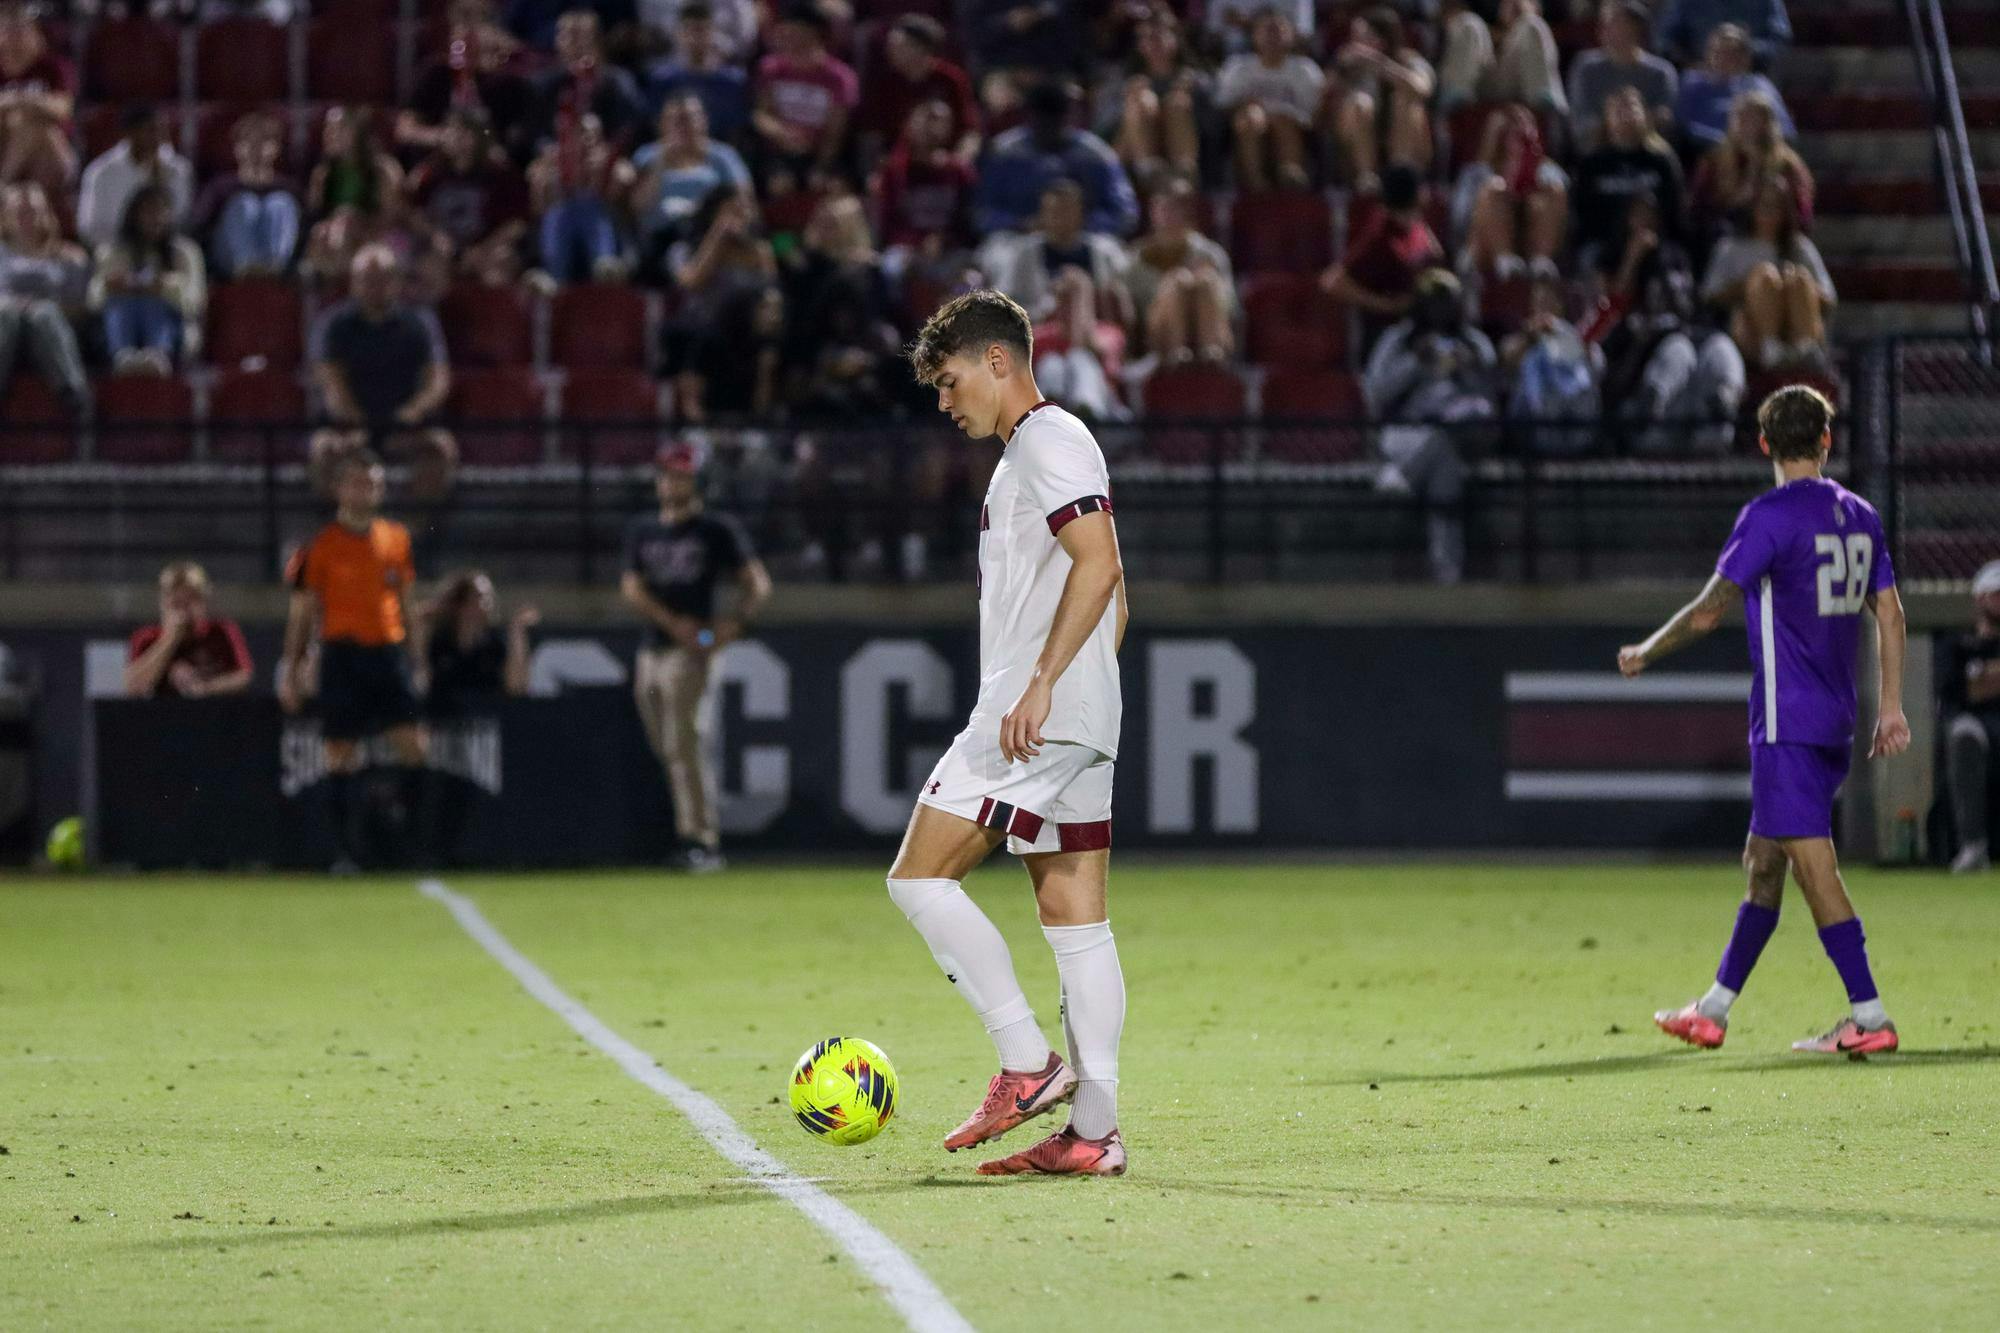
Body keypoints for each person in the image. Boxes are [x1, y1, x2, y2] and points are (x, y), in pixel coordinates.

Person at [897, 288, 1130, 1177]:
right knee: (1075, 919)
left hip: (1031, 715)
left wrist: (1044, 688)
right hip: (1069, 715)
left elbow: (1099, 560)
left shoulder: (1048, 438)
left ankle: (1028, 1063)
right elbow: (1116, 577)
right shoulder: (1034, 452)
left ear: (999, 362)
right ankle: (1095, 1133)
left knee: (918, 877)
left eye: (952, 382)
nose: (946, 403)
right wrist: (1088, 695)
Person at [1625, 385, 1909, 1056]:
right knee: (1763, 861)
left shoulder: (1768, 517)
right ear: (1826, 441)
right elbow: (1891, 613)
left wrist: (1646, 649)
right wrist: (1891, 705)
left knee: (1813, 867)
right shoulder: (1860, 514)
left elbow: (1707, 609)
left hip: (1788, 720)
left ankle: (1869, 1016)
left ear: (1763, 445)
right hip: (1835, 715)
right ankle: (1714, 1009)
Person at [620, 442, 771, 872]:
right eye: (667, 475)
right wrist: (672, 623)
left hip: (692, 650)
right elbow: (631, 587)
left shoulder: (714, 529)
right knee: (667, 746)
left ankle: (699, 839)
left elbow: (756, 584)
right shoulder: (644, 529)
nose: (671, 483)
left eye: (681, 475)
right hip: (654, 648)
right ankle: (687, 832)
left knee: (684, 744)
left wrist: (730, 628)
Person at [279, 452, 429, 873]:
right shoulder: (322, 545)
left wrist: (417, 660)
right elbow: (304, 611)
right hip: (342, 655)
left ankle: (408, 845)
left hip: (387, 652)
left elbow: (407, 602)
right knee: (341, 753)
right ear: (341, 489)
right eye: (359, 483)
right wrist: (293, 665)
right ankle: (346, 851)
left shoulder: (395, 538)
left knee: (414, 746)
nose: (367, 491)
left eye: (374, 484)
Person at [1362, 267, 1495, 584]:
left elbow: (1490, 397)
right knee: (1444, 467)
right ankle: (1448, 574)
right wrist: (1415, 363)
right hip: (1408, 432)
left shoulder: (1473, 341)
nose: (1439, 309)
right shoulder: (1398, 339)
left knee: (1455, 432)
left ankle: (1402, 476)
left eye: (1446, 301)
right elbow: (1376, 392)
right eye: (1432, 301)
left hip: (1461, 430)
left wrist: (1467, 367)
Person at [1583, 188, 1741, 453]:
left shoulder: (1676, 254)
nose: (1645, 220)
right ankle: (1651, 402)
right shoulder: (1611, 256)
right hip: (1639, 346)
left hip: (1686, 335)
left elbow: (1691, 303)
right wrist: (1633, 257)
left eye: (1650, 214)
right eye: (1638, 214)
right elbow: (1608, 308)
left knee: (1721, 346)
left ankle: (1723, 402)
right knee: (1678, 350)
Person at [310, 245, 457, 497]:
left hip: (405, 428)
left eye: (383, 279)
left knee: (441, 448)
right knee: (323, 449)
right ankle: (337, 530)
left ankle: (415, 531)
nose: (374, 286)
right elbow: (331, 382)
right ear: (353, 282)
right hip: (351, 429)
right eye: (366, 280)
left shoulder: (419, 323)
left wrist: (411, 413)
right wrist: (356, 424)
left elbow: (437, 381)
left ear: (396, 281)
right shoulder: (333, 324)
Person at [420, 569, 536, 865]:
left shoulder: (493, 645)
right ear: (462, 602)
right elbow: (420, 675)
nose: (487, 605)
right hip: (442, 730)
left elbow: (516, 686)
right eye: (480, 598)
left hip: (482, 735)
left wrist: (517, 633)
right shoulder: (440, 640)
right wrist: (424, 621)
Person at [975, 79, 1138, 239]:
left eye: (1054, 122)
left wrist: (1076, 224)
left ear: (1068, 119)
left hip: (1084, 237)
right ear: (1028, 118)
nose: (1047, 129)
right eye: (1041, 122)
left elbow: (1125, 214)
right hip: (1018, 238)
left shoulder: (1096, 155)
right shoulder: (1003, 153)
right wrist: (1021, 224)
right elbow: (981, 213)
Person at [1702, 178, 1832, 370]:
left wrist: (1789, 287)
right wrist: (1749, 286)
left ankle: (1804, 347)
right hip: (1749, 330)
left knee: (1799, 278)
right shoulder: (1730, 248)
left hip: (1793, 328)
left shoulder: (1800, 248)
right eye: (1765, 204)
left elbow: (1829, 299)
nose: (1770, 212)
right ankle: (1770, 348)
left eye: (1776, 206)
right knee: (1764, 277)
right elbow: (1710, 295)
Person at [88, 184, 207, 374]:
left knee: (154, 302)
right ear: (134, 215)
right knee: (121, 302)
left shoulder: (185, 252)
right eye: (148, 211)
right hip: (118, 327)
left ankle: (157, 353)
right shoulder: (111, 252)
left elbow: (195, 302)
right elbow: (93, 300)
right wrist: (110, 286)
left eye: (161, 211)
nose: (155, 218)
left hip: (172, 328)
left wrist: (165, 288)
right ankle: (123, 356)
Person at [1320, 163, 1444, 343]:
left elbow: (1436, 258)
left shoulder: (1416, 225)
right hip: (1388, 339)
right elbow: (1333, 282)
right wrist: (1387, 306)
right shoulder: (1380, 236)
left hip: (1421, 328)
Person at [408, 107, 530, 287]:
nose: (456, 137)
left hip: (486, 247)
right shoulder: (431, 173)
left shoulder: (500, 174)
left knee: (500, 264)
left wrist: (483, 249)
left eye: (464, 131)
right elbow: (413, 213)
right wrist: (436, 237)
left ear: (479, 137)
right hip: (443, 248)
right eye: (452, 130)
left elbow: (517, 223)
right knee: (427, 267)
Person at [629, 93, 751, 274]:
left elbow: (744, 202)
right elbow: (638, 207)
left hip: (711, 233)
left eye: (689, 119)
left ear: (704, 120)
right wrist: (662, 161)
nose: (683, 127)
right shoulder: (646, 156)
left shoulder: (724, 157)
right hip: (664, 237)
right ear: (662, 123)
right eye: (675, 121)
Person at [1571, 85, 1682, 273]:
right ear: (1607, 118)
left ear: (1645, 115)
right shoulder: (1592, 163)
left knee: (1673, 264)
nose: (1626, 115)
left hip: (1653, 241)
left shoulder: (1662, 160)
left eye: (1631, 108)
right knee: (1590, 264)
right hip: (1602, 241)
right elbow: (1582, 212)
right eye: (1618, 110)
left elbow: (1675, 207)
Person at [750, 5, 858, 196]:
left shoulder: (839, 77)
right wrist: (781, 133)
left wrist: (822, 165)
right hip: (779, 150)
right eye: (786, 34)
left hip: (822, 151)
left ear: (815, 35)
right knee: (780, 185)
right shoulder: (770, 69)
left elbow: (836, 131)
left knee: (824, 186)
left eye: (797, 35)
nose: (790, 41)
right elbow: (761, 114)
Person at [1126, 177, 1235, 365]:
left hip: (1211, 328)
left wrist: (1199, 287)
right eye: (1165, 209)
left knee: (1206, 280)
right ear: (1153, 212)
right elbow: (1130, 309)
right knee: (1178, 279)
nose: (1171, 216)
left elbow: (1231, 305)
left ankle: (1211, 352)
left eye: (1178, 209)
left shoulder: (1210, 253)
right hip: (1158, 337)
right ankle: (1177, 351)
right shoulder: (1137, 258)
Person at [1098, 5, 1209, 191]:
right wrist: (1127, 99)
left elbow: (1213, 126)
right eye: (1148, 38)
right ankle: (1149, 170)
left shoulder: (1196, 79)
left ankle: (1183, 173)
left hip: (1185, 147)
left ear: (1175, 40)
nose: (1155, 43)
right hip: (1131, 150)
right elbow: (1102, 127)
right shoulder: (1123, 80)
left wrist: (1191, 95)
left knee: (1176, 103)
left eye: (1160, 36)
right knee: (1141, 100)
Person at [1451, 104, 1566, 279]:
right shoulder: (1476, 173)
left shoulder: (1549, 172)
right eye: (1508, 127)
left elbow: (1561, 217)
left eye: (1523, 126)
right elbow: (1461, 222)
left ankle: (1540, 263)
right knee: (1493, 188)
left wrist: (1526, 192)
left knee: (1552, 190)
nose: (1516, 133)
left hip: (1529, 241)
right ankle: (1506, 262)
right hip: (1482, 248)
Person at [0, 181, 87, 410]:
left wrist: (35, 306)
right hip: (5, 330)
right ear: (5, 216)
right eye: (20, 212)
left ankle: (74, 394)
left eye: (33, 212)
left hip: (50, 332)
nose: (26, 218)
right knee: (6, 314)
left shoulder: (69, 257)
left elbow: (80, 308)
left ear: (46, 214)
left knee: (43, 314)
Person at [1327, 5, 1435, 190]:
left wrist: (1379, 65)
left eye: (1364, 37)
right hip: (1355, 147)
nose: (1357, 44)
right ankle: (1367, 176)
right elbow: (1322, 103)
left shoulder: (1409, 60)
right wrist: (1340, 73)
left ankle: (1399, 176)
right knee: (1360, 103)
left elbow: (1422, 90)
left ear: (1384, 39)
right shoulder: (1346, 65)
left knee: (1405, 101)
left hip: (1406, 142)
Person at [1215, 6, 1322, 191]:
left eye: (1279, 30)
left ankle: (1291, 172)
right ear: (1254, 36)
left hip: (1294, 133)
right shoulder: (1238, 67)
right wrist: (1247, 106)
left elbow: (1315, 114)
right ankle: (1254, 181)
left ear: (1292, 35)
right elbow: (1222, 106)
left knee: (1283, 118)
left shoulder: (1305, 70)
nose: (1272, 36)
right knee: (1251, 117)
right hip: (1248, 131)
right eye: (1266, 30)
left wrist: (1278, 115)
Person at [855, 14, 979, 170]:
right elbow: (873, 133)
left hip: (944, 166)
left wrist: (959, 162)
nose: (889, 51)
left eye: (898, 46)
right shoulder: (885, 82)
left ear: (921, 48)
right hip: (897, 168)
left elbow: (970, 131)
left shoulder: (951, 79)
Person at [191, 112, 302, 279]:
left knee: (280, 203)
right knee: (245, 202)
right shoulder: (220, 186)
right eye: (248, 141)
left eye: (263, 141)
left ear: (276, 148)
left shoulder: (288, 187)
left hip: (275, 263)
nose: (255, 147)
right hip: (231, 260)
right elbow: (199, 226)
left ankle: (274, 266)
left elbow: (301, 230)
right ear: (236, 148)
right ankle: (248, 265)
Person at [1940, 561, 2000, 874]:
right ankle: (1973, 846)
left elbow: (1978, 686)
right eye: (1997, 594)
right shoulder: (1958, 645)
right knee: (1964, 734)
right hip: (1977, 725)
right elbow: (1960, 694)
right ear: (1980, 598)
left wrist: (1984, 681)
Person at [527, 111, 635, 282]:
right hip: (562, 225)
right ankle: (554, 278)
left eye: (593, 135)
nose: (586, 140)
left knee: (592, 209)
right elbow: (537, 209)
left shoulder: (612, 162)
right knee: (558, 213)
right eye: (580, 133)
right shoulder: (550, 162)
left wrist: (610, 178)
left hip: (603, 222)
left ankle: (604, 267)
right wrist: (545, 185)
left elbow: (626, 199)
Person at [124, 562, 254, 699]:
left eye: (189, 602)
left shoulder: (222, 631)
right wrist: (170, 640)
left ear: (203, 602)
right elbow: (133, 687)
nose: (183, 612)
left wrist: (204, 688)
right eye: (176, 603)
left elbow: (243, 676)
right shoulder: (146, 638)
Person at [76, 105, 194, 252]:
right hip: (117, 251)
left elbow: (181, 219)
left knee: (188, 252)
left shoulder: (177, 169)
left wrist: (159, 184)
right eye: (150, 131)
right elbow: (89, 229)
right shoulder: (101, 172)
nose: (158, 138)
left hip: (165, 252)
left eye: (161, 131)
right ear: (129, 133)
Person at [1566, 1, 1679, 149]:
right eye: (1604, 22)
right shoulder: (1586, 68)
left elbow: (1666, 118)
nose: (1605, 29)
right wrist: (1616, 125)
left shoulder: (1661, 72)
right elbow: (1581, 117)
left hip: (1648, 151)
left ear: (1635, 29)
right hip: (1598, 152)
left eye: (1615, 22)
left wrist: (1635, 125)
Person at [646, 3, 752, 144]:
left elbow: (737, 130)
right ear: (678, 34)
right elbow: (656, 125)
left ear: (713, 33)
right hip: (673, 152)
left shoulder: (733, 81)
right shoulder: (662, 80)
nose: (695, 37)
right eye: (689, 30)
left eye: (701, 30)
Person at [0, 1, 75, 199]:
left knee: (34, 126)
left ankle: (3, 189)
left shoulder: (53, 67)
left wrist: (17, 100)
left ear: (37, 37)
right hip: (4, 148)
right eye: (10, 33)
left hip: (50, 157)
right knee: (18, 121)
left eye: (22, 32)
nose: (16, 40)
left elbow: (63, 108)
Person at [1677, 22, 1792, 150]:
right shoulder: (1692, 83)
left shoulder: (1758, 85)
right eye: (1717, 52)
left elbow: (1784, 130)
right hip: (1701, 151)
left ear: (1744, 58)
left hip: (1750, 153)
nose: (1722, 59)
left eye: (1730, 53)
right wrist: (1725, 142)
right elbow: (1681, 126)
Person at [1481, 0, 1565, 116]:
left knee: (1532, 24)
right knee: (1469, 25)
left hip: (1531, 77)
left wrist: (1524, 13)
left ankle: (1543, 104)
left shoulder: (1534, 22)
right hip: (1492, 76)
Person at [1654, 0, 1791, 67]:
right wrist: (1689, 62)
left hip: (1751, 75)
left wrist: (1740, 52)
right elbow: (1664, 39)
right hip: (1698, 74)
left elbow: (1779, 40)